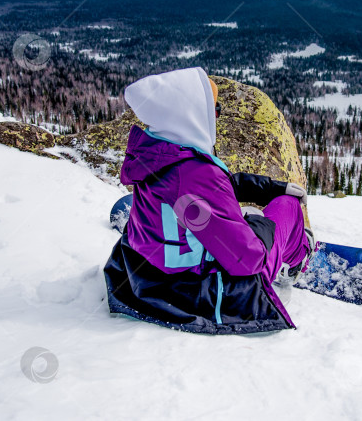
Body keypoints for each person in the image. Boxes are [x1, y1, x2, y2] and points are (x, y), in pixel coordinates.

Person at [103, 67, 316, 334]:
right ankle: (297, 259)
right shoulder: (196, 174)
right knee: (288, 207)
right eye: (214, 110)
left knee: (243, 209)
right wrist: (259, 225)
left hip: (150, 280)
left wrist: (266, 187)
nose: (216, 117)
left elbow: (203, 189)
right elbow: (247, 259)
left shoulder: (155, 154)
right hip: (205, 291)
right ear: (191, 114)